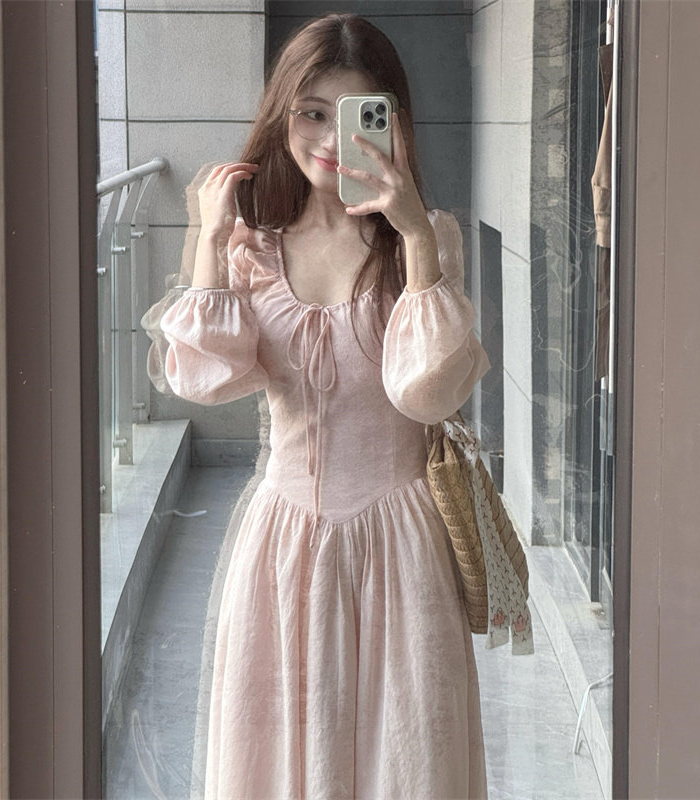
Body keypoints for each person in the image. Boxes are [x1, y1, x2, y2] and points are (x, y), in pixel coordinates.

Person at [159, 13, 491, 799]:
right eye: (310, 112)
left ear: (392, 123)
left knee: (407, 759)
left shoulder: (428, 241)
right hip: (283, 546)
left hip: (402, 546)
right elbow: (203, 379)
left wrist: (414, 236)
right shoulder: (252, 248)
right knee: (276, 762)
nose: (328, 139)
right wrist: (209, 239)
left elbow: (429, 392)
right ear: (282, 114)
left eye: (353, 115)